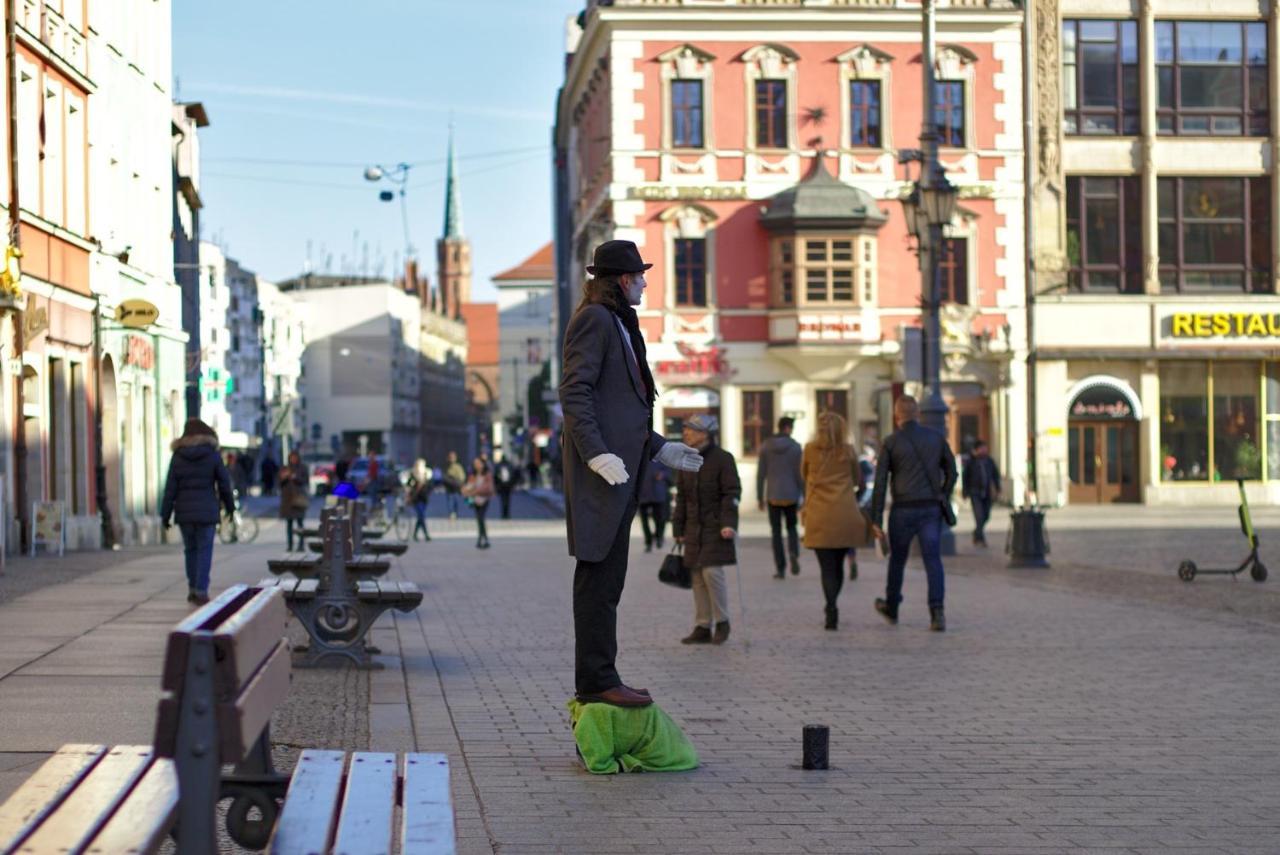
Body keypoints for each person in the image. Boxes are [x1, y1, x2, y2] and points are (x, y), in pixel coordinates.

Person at [560, 239, 704, 708]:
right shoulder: (596, 320)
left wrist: (660, 448)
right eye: (640, 275)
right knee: (598, 579)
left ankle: (604, 674)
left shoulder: (617, 322)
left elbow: (622, 407)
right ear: (623, 280)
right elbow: (576, 392)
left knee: (610, 581)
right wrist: (596, 454)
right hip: (603, 475)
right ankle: (596, 680)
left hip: (621, 471)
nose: (644, 282)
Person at [868, 395, 958, 632]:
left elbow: (880, 483)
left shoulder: (891, 442)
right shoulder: (935, 438)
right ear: (918, 414)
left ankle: (892, 608)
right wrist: (943, 493)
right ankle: (937, 612)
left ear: (897, 416)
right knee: (933, 560)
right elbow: (953, 471)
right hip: (930, 508)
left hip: (903, 509)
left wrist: (875, 518)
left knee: (897, 561)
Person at [672, 415, 740, 645]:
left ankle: (722, 622)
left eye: (691, 430)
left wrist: (728, 524)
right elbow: (681, 496)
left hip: (715, 526)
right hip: (693, 526)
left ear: (705, 434)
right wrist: (678, 526)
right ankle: (702, 625)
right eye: (686, 429)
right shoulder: (685, 458)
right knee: (697, 575)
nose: (686, 434)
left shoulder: (723, 459)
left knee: (712, 573)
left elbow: (731, 493)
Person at [801, 412, 869, 631]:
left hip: (818, 514)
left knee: (826, 567)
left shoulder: (810, 450)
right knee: (838, 563)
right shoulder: (848, 451)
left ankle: (830, 608)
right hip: (843, 513)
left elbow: (803, 474)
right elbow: (859, 480)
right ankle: (832, 605)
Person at [160, 419, 236, 605]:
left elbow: (170, 488)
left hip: (184, 511)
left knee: (190, 550)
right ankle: (201, 589)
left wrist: (165, 514)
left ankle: (193, 587)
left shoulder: (178, 456)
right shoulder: (212, 455)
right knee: (204, 550)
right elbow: (224, 484)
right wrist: (230, 507)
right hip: (207, 510)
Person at [756, 416, 804, 579]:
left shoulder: (766, 446)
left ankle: (781, 567)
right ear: (788, 428)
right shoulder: (796, 448)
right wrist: (804, 494)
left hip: (773, 495)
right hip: (791, 494)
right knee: (792, 528)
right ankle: (793, 553)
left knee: (776, 532)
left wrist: (759, 497)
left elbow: (761, 474)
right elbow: (800, 474)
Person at [961, 439, 1001, 547]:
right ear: (976, 449)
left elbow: (995, 475)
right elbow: (965, 478)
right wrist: (965, 492)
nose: (984, 450)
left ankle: (976, 533)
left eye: (985, 448)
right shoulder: (971, 461)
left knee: (986, 515)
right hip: (975, 492)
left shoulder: (989, 461)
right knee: (979, 516)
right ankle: (980, 539)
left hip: (987, 492)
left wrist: (997, 488)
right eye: (982, 448)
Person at [637, 458, 671, 553]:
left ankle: (659, 537)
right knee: (644, 521)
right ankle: (648, 542)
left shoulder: (662, 457)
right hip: (643, 494)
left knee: (660, 518)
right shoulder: (641, 457)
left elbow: (668, 472)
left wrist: (662, 475)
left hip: (658, 493)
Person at [278, 450, 310, 552]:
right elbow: (279, 482)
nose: (293, 459)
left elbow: (305, 481)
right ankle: (290, 545)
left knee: (300, 523)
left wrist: (296, 477)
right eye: (292, 457)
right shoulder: (285, 468)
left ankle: (301, 545)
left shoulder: (302, 468)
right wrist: (284, 477)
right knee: (289, 524)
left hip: (299, 498)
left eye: (295, 457)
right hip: (287, 500)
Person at [462, 456, 494, 549]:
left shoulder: (487, 474)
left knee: (481, 518)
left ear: (483, 464)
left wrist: (474, 491)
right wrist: (466, 490)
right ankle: (483, 539)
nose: (477, 465)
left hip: (484, 499)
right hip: (475, 499)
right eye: (475, 464)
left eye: (478, 463)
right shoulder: (473, 475)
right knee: (479, 519)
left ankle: (482, 539)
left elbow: (488, 487)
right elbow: (469, 485)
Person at [407, 458, 433, 542]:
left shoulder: (427, 474)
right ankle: (426, 535)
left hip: (424, 498)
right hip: (416, 498)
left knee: (420, 517)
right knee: (421, 515)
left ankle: (415, 534)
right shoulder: (413, 474)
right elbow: (409, 485)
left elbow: (430, 486)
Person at [493, 452, 518, 519]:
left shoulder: (506, 466)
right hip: (503, 485)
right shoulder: (502, 466)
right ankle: (505, 513)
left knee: (505, 500)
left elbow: (514, 475)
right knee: (505, 500)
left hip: (507, 485)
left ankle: (506, 513)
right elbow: (495, 476)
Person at [443, 451, 466, 519]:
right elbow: (444, 476)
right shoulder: (446, 466)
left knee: (455, 500)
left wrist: (460, 483)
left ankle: (455, 513)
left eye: (452, 457)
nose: (451, 459)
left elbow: (462, 477)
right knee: (450, 501)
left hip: (456, 487)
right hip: (449, 487)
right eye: (450, 457)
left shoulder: (458, 467)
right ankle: (451, 513)